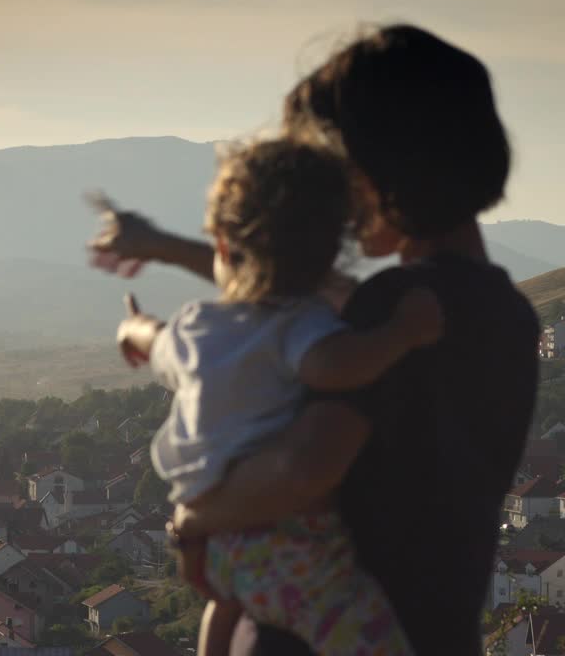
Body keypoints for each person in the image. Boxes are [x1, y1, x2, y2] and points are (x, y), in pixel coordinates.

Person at [89, 24, 539, 655]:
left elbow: (305, 465)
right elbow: (274, 290)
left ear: (381, 166)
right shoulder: (503, 312)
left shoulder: (391, 314)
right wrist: (158, 245)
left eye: (330, 168)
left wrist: (193, 517)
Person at [117, 136, 438, 655]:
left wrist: (131, 329)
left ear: (221, 246)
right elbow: (335, 367)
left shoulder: (195, 325)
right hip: (288, 544)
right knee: (370, 633)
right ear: (334, 251)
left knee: (225, 605)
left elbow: (154, 340)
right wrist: (403, 332)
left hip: (215, 542)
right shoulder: (301, 323)